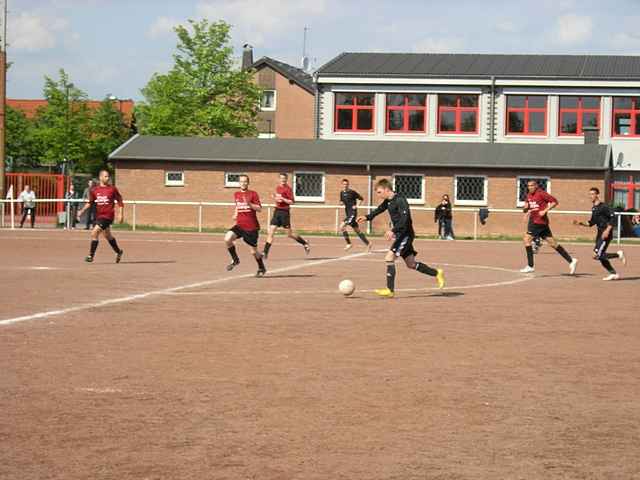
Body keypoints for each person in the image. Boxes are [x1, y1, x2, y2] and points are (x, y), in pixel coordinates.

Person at [357, 179, 445, 298]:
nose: (378, 195)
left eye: (379, 192)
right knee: (411, 264)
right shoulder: (388, 201)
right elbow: (379, 209)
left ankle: (390, 290)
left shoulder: (400, 200)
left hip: (405, 235)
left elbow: (405, 220)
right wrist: (367, 217)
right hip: (401, 234)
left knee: (389, 258)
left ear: (387, 190)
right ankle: (437, 273)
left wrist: (392, 230)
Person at [520, 180, 578, 274]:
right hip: (536, 222)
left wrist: (545, 211)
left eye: (531, 185)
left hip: (538, 222)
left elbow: (555, 202)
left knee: (527, 240)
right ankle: (571, 260)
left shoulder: (541, 194)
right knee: (553, 244)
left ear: (536, 186)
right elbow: (528, 208)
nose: (530, 187)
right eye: (528, 186)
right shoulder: (529, 195)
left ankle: (530, 266)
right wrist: (526, 211)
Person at [573, 187, 627, 281]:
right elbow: (591, 223)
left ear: (597, 195)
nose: (591, 196)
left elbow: (613, 218)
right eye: (589, 194)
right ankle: (613, 274)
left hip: (605, 233)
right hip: (599, 234)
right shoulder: (594, 208)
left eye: (593, 194)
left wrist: (607, 230)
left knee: (597, 255)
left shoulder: (604, 206)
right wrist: (580, 223)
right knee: (599, 256)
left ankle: (618, 255)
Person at [76, 170, 124, 263]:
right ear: (100, 177)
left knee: (94, 232)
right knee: (108, 236)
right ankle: (118, 252)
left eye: (108, 176)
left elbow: (120, 201)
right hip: (99, 216)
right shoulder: (94, 190)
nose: (108, 178)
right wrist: (81, 211)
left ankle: (91, 256)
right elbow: (90, 202)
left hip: (108, 216)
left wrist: (120, 214)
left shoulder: (112, 189)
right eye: (105, 176)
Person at [225, 174, 267, 277]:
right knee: (227, 238)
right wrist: (235, 213)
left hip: (251, 227)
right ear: (239, 183)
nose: (243, 183)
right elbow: (237, 205)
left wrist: (250, 204)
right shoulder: (236, 194)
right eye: (241, 181)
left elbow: (259, 208)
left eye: (245, 181)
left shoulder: (253, 194)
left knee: (254, 252)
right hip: (240, 225)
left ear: (248, 183)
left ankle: (261, 267)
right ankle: (235, 260)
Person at [262, 173, 310, 259]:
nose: (283, 180)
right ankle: (265, 252)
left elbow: (292, 202)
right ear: (279, 179)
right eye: (281, 178)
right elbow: (276, 197)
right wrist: (274, 197)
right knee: (271, 231)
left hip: (284, 213)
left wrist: (283, 199)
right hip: (277, 211)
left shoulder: (288, 189)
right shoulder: (278, 188)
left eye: (284, 178)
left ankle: (304, 242)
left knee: (289, 234)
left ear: (286, 179)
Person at [339, 178, 371, 251]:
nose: (345, 185)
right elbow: (342, 201)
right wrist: (341, 203)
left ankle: (349, 244)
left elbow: (361, 198)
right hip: (348, 213)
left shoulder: (352, 192)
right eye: (344, 184)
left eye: (346, 184)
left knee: (341, 226)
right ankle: (368, 243)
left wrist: (357, 205)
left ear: (348, 184)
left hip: (352, 213)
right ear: (342, 185)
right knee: (357, 230)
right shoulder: (341, 193)